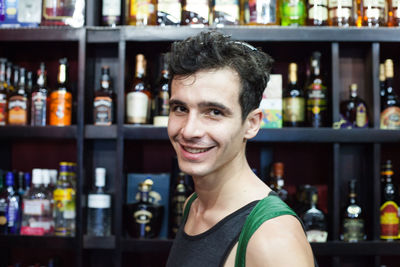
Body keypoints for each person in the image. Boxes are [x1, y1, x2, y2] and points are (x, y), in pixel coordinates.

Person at [166, 31, 315, 267]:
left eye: (214, 112)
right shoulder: (194, 205)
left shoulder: (272, 238)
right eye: (180, 108)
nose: (188, 131)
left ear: (251, 124)